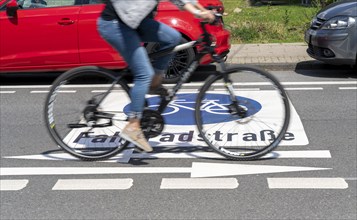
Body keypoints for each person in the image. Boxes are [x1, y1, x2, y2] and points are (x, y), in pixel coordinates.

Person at [97, 0, 215, 152]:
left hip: (135, 21)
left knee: (172, 38)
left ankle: (155, 81)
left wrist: (203, 9)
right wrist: (198, 13)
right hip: (115, 24)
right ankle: (133, 125)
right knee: (143, 74)